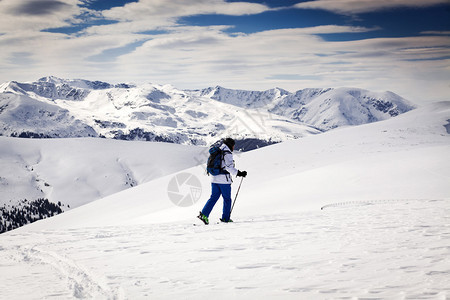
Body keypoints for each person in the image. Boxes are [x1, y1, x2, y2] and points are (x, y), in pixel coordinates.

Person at [198, 138, 247, 224]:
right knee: (227, 199)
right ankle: (225, 218)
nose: (233, 147)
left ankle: (204, 214)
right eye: (233, 145)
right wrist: (239, 173)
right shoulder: (227, 153)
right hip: (223, 180)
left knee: (213, 198)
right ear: (230, 145)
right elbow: (229, 167)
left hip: (214, 178)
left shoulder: (218, 150)